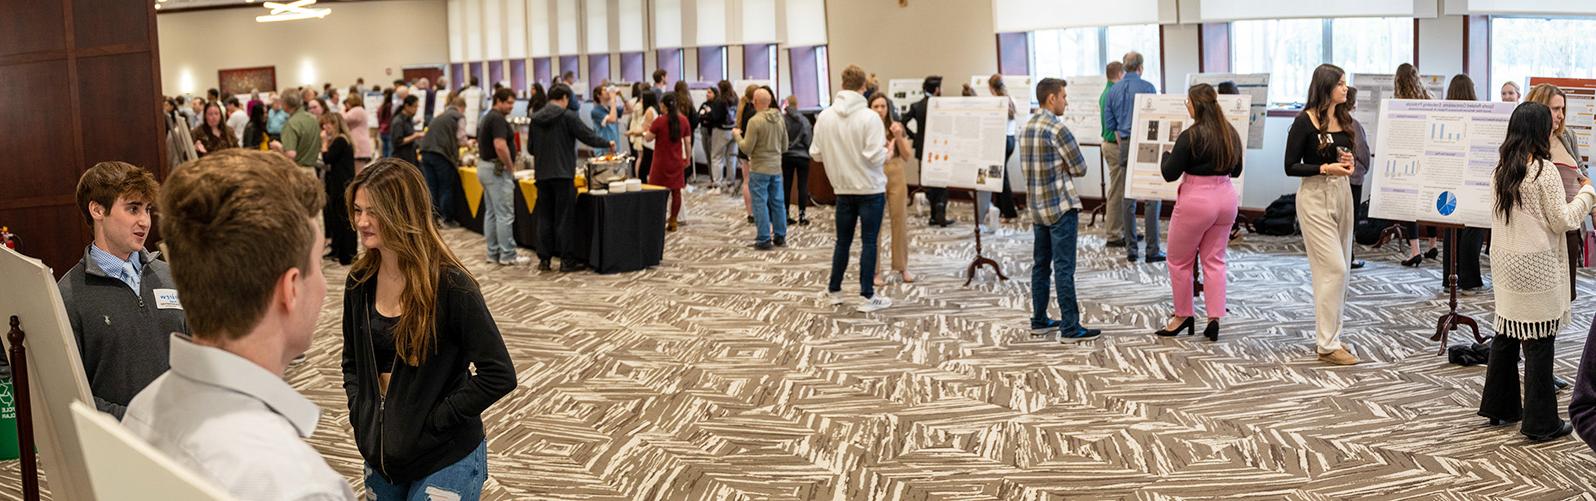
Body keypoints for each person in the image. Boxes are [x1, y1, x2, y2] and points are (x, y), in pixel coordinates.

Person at [122, 149, 355, 500]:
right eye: (318, 265)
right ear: (290, 289)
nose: (323, 285)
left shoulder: (143, 408)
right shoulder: (299, 487)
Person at [340, 159, 515, 500]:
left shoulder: (452, 285)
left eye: (373, 212)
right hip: (383, 455)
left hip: (445, 455)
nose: (361, 222)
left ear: (402, 212)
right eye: (358, 210)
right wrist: (360, 412)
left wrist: (436, 420)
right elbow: (352, 362)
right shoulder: (359, 283)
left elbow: (499, 374)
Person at [1478, 101, 1593, 442]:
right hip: (1537, 266)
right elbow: (1564, 220)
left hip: (1505, 263)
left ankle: (1500, 408)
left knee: (1506, 334)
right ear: (1540, 131)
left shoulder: (1501, 169)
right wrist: (1588, 194)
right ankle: (1541, 423)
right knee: (1540, 343)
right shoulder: (1544, 171)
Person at [57, 162, 187, 419]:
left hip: (182, 440)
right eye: (132, 208)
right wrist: (140, 423)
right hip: (118, 448)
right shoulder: (69, 295)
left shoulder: (170, 277)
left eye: (147, 209)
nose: (145, 221)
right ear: (97, 209)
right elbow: (70, 396)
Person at [1284, 64, 1361, 366]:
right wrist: (1323, 167)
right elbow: (1290, 166)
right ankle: (1327, 345)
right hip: (1315, 196)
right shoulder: (1304, 122)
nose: (1345, 88)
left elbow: (1345, 156)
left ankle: (1332, 336)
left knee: (1341, 271)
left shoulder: (1344, 119)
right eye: (1340, 83)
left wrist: (1347, 161)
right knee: (1334, 268)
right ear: (1326, 86)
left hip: (1342, 193)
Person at [1155, 83, 1242, 341]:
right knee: (1214, 261)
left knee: (1179, 260)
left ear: (1196, 105)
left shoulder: (1190, 135)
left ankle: (1183, 316)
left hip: (1197, 200)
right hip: (1226, 198)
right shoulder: (1230, 133)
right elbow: (1236, 171)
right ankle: (1214, 317)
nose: (1187, 107)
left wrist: (1165, 156)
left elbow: (1170, 173)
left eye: (1188, 102)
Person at [1020, 77, 1103, 343]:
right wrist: (1063, 166)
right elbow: (1080, 168)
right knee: (1064, 268)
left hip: (1037, 207)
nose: (1066, 101)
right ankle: (1070, 326)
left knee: (1040, 266)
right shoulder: (1058, 129)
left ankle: (1039, 319)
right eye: (1064, 97)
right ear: (1052, 98)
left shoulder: (1027, 126)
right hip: (1060, 206)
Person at [812, 65, 892, 313]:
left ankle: (834, 290)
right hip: (870, 190)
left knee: (842, 242)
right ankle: (867, 295)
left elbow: (815, 154)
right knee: (869, 242)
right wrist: (888, 152)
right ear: (863, 87)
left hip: (842, 190)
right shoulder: (870, 118)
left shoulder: (825, 117)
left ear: (842, 84)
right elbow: (873, 157)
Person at [529, 84, 614, 272]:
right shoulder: (567, 116)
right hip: (563, 174)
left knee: (544, 217)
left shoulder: (535, 118)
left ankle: (544, 260)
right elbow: (587, 135)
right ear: (565, 98)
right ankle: (567, 260)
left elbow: (530, 149)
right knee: (565, 218)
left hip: (542, 174)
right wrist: (607, 142)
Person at [1524, 83, 1589, 301]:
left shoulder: (1567, 136)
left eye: (1563, 109)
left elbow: (1581, 171)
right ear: (1540, 108)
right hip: (1542, 233)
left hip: (1570, 226)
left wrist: (1593, 206)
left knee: (1565, 295)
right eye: (1555, 109)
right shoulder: (1527, 144)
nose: (1561, 116)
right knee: (1543, 298)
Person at [1104, 52, 1165, 262]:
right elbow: (1157, 122)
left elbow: (1111, 127)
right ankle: (1152, 250)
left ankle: (1131, 250)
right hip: (1147, 145)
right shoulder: (1148, 88)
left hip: (1126, 144)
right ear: (1140, 67)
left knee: (1127, 197)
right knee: (1151, 197)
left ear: (1125, 67)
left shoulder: (1113, 91)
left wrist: (1124, 145)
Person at [1440, 75, 1487, 292]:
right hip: (1472, 177)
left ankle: (1449, 278)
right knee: (1473, 228)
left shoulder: (1445, 115)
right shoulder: (1477, 115)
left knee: (1451, 228)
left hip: (1448, 176)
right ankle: (1470, 279)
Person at [1392, 63, 1441, 266]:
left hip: (1409, 159)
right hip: (1430, 158)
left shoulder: (1399, 104)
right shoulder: (1430, 99)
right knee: (1428, 203)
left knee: (1409, 207)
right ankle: (1432, 244)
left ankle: (1414, 250)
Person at [477, 88, 529, 266]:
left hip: (485, 168)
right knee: (504, 215)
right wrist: (510, 166)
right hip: (496, 170)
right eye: (508, 103)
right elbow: (499, 145)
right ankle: (508, 254)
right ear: (498, 101)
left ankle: (493, 253)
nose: (511, 107)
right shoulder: (497, 119)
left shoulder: (488, 116)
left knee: (491, 213)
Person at [735, 87, 790, 250]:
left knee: (759, 203)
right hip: (776, 168)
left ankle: (764, 238)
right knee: (778, 202)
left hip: (759, 168)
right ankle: (780, 236)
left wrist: (737, 135)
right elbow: (785, 146)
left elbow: (746, 148)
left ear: (755, 102)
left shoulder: (755, 121)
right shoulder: (779, 118)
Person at [868, 92, 914, 284]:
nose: (880, 110)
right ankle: (874, 271)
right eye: (876, 106)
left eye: (883, 106)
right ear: (870, 109)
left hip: (896, 174)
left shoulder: (896, 127)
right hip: (874, 174)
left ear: (888, 108)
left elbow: (906, 155)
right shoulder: (866, 127)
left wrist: (897, 136)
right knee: (874, 224)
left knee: (899, 219)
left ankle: (902, 267)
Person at [642, 94, 691, 231]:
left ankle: (658, 220)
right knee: (676, 192)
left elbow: (648, 139)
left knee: (658, 192)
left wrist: (645, 132)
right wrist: (688, 158)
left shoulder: (659, 121)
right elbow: (688, 142)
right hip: (676, 161)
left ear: (663, 105)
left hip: (660, 163)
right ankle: (673, 221)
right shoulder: (684, 120)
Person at [904, 75, 948, 226]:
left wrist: (915, 136)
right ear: (936, 90)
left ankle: (934, 215)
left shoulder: (917, 106)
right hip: (940, 146)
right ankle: (939, 209)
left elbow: (903, 122)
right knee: (942, 179)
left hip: (923, 147)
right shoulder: (941, 105)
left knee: (927, 179)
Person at [320, 111, 359, 265]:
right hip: (340, 183)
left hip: (342, 184)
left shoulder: (340, 141)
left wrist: (323, 143)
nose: (325, 127)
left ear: (335, 124)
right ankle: (338, 250)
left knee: (344, 219)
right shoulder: (340, 140)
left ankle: (347, 253)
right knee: (337, 218)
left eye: (327, 124)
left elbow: (327, 158)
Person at [421, 97, 466, 228]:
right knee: (446, 187)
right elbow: (461, 139)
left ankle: (433, 219)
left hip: (426, 152)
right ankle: (447, 219)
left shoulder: (440, 116)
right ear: (462, 107)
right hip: (441, 154)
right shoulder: (459, 117)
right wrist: (468, 143)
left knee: (432, 187)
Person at [986, 74, 1021, 222]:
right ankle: (1000, 209)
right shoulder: (1011, 99)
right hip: (1011, 140)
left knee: (1000, 177)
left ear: (992, 88)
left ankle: (1009, 212)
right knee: (998, 175)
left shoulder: (997, 102)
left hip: (1000, 141)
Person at [1098, 62, 1126, 242]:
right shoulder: (1114, 93)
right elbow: (1115, 126)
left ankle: (1121, 229)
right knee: (1117, 191)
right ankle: (1114, 233)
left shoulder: (1106, 92)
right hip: (1115, 146)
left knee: (1120, 189)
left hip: (1109, 145)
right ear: (1121, 73)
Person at [1345, 86, 1371, 270]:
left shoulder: (1332, 122)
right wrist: (1364, 169)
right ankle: (1349, 256)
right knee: (1351, 219)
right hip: (1353, 179)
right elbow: (1363, 153)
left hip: (1338, 178)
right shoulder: (1354, 125)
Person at [782, 94, 813, 226]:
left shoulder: (782, 120)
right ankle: (802, 216)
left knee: (786, 185)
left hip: (787, 156)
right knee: (802, 185)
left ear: (787, 104)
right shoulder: (805, 120)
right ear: (797, 105)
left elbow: (780, 138)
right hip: (802, 157)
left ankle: (786, 214)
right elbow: (808, 139)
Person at [707, 80, 740, 192]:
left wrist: (709, 113)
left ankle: (717, 185)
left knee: (717, 157)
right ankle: (731, 184)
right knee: (731, 158)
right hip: (733, 130)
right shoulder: (736, 99)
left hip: (720, 131)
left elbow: (715, 117)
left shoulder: (719, 101)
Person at [279, 92, 322, 170]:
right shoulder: (313, 119)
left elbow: (291, 154)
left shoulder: (291, 124)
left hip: (298, 171)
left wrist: (278, 147)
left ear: (285, 104)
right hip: (312, 170)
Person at [627, 91, 660, 182]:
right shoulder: (653, 109)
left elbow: (644, 129)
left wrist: (632, 132)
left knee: (643, 169)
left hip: (649, 144)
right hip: (649, 142)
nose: (641, 100)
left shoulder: (649, 111)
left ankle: (644, 187)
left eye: (642, 98)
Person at [343, 94, 375, 171]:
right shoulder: (361, 110)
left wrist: (343, 110)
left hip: (358, 145)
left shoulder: (356, 110)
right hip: (361, 144)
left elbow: (342, 119)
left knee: (358, 172)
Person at [388, 95, 422, 164]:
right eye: (415, 106)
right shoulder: (398, 121)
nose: (416, 109)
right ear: (407, 106)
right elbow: (398, 141)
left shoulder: (408, 119)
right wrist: (415, 136)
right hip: (401, 159)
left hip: (410, 157)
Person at [590, 85, 621, 155]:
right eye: (604, 90)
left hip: (614, 147)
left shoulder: (610, 108)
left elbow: (629, 109)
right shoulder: (596, 111)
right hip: (603, 150)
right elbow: (612, 119)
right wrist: (613, 99)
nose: (607, 91)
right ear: (598, 95)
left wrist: (621, 95)